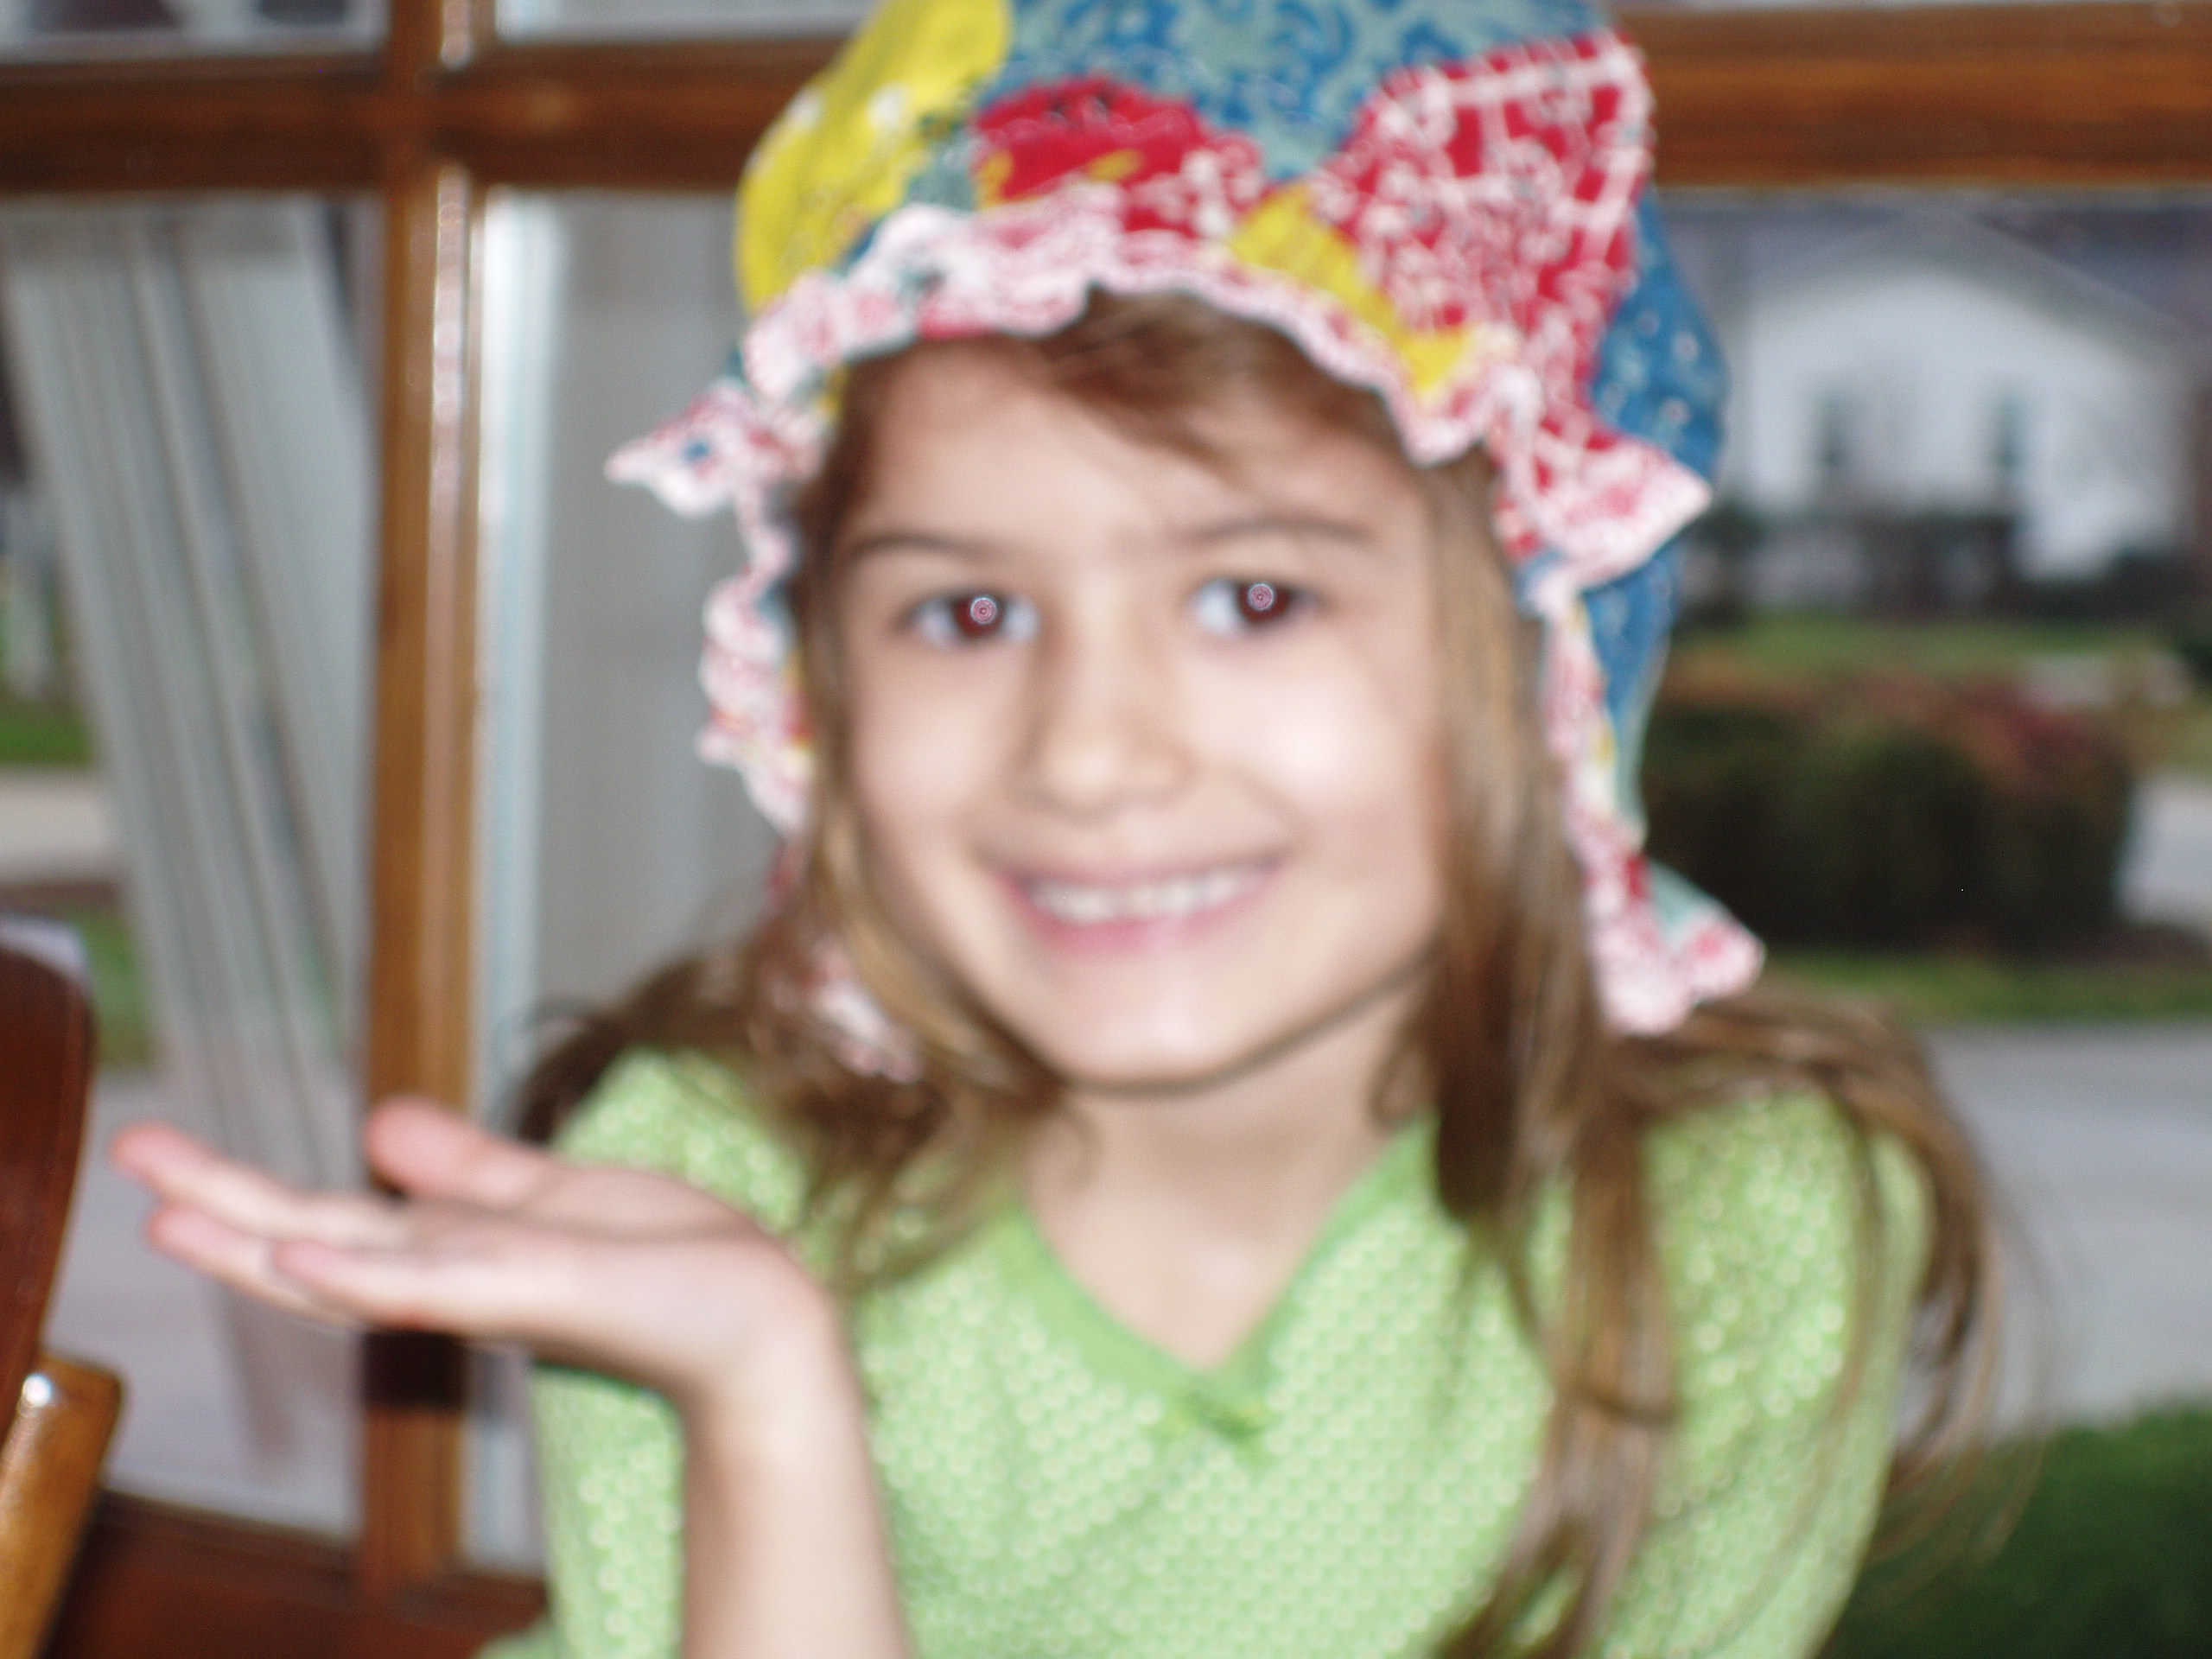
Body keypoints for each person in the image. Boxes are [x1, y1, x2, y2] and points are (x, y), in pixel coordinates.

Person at [114, 0, 1999, 1655]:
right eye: (967, 611)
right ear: (816, 684)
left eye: (1252, 597)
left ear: (1547, 652)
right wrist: (765, 1388)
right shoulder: (709, 1189)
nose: (1087, 757)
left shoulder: (1735, 1236)